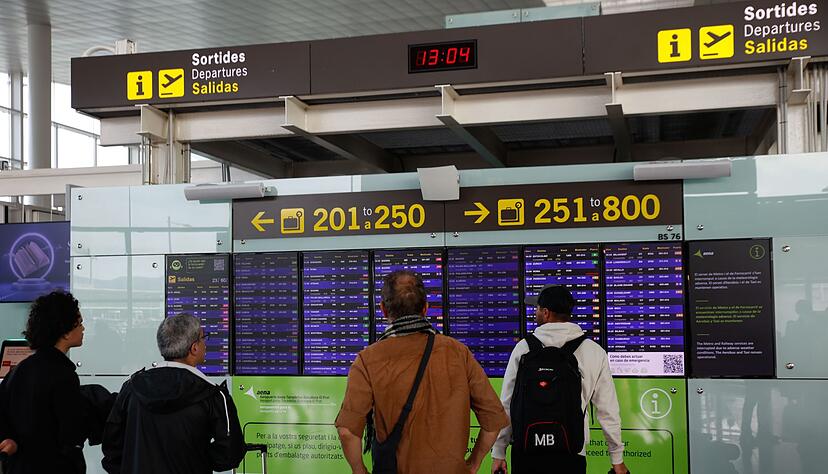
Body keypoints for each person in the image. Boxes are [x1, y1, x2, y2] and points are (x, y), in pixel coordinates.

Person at [336, 270, 510, 474]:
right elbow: (493, 419)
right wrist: (473, 463)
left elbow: (347, 431)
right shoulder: (457, 352)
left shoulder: (367, 360)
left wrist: (359, 470)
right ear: (426, 308)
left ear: (383, 309)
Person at [492, 285, 628, 474]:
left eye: (537, 308)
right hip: (572, 452)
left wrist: (499, 452)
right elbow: (608, 410)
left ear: (546, 313)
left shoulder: (523, 348)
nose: (535, 312)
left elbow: (507, 404)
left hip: (526, 451)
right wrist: (617, 459)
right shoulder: (594, 352)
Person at [101, 313, 245, 474]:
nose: (206, 344)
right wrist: (197, 459)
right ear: (194, 348)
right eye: (204, 338)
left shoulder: (131, 388)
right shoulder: (214, 395)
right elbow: (230, 453)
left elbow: (112, 447)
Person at [0, 291, 87, 473]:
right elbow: (70, 434)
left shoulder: (18, 370)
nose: (83, 329)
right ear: (64, 331)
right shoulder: (63, 375)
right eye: (79, 323)